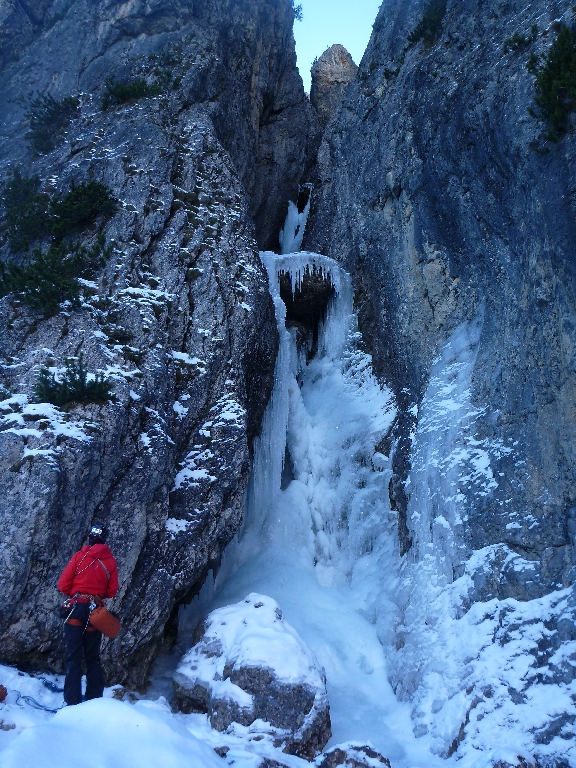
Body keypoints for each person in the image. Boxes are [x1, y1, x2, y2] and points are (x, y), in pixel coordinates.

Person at [57, 525, 119, 706]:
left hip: (76, 609)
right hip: (95, 613)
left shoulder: (79, 557)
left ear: (90, 538)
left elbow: (63, 585)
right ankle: (94, 702)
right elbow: (112, 591)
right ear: (104, 539)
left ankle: (72, 702)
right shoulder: (110, 562)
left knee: (73, 658)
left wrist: (78, 592)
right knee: (93, 658)